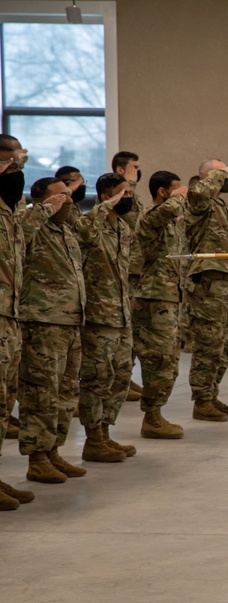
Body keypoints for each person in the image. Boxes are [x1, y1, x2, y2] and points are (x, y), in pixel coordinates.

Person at [18, 177, 88, 483]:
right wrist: (44, 210)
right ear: (42, 200)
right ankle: (37, 458)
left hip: (70, 321)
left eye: (69, 195)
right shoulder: (29, 223)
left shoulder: (66, 230)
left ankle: (54, 451)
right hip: (42, 322)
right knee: (41, 393)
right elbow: (17, 239)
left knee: (65, 393)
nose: (68, 201)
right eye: (60, 196)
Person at [75, 173, 137, 463]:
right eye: (120, 193)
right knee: (97, 378)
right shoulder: (91, 225)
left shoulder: (123, 228)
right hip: (99, 315)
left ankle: (105, 432)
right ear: (104, 197)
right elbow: (83, 230)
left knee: (121, 376)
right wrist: (101, 208)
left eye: (128, 192)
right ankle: (92, 439)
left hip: (122, 314)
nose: (127, 197)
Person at [184, 158, 228, 421]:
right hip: (208, 282)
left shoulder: (218, 205)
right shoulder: (199, 199)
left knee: (224, 346)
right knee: (208, 344)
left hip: (226, 281)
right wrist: (215, 174)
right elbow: (197, 193)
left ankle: (212, 394)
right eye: (222, 172)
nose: (226, 176)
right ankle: (201, 399)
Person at [133, 170, 187, 438]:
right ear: (163, 192)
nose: (182, 194)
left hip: (169, 296)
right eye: (176, 189)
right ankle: (151, 417)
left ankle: (156, 414)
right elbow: (164, 214)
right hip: (154, 298)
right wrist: (177, 199)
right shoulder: (151, 216)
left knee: (170, 359)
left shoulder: (170, 221)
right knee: (159, 358)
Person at [0, 136, 34, 508]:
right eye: (7, 166)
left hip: (11, 315)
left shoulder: (9, 214)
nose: (14, 173)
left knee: (4, 400)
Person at [112, 151, 145, 402]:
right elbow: (131, 218)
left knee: (132, 330)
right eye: (134, 167)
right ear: (121, 170)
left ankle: (126, 377)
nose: (138, 171)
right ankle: (118, 379)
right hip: (125, 270)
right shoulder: (118, 192)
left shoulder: (133, 194)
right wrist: (129, 186)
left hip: (136, 268)